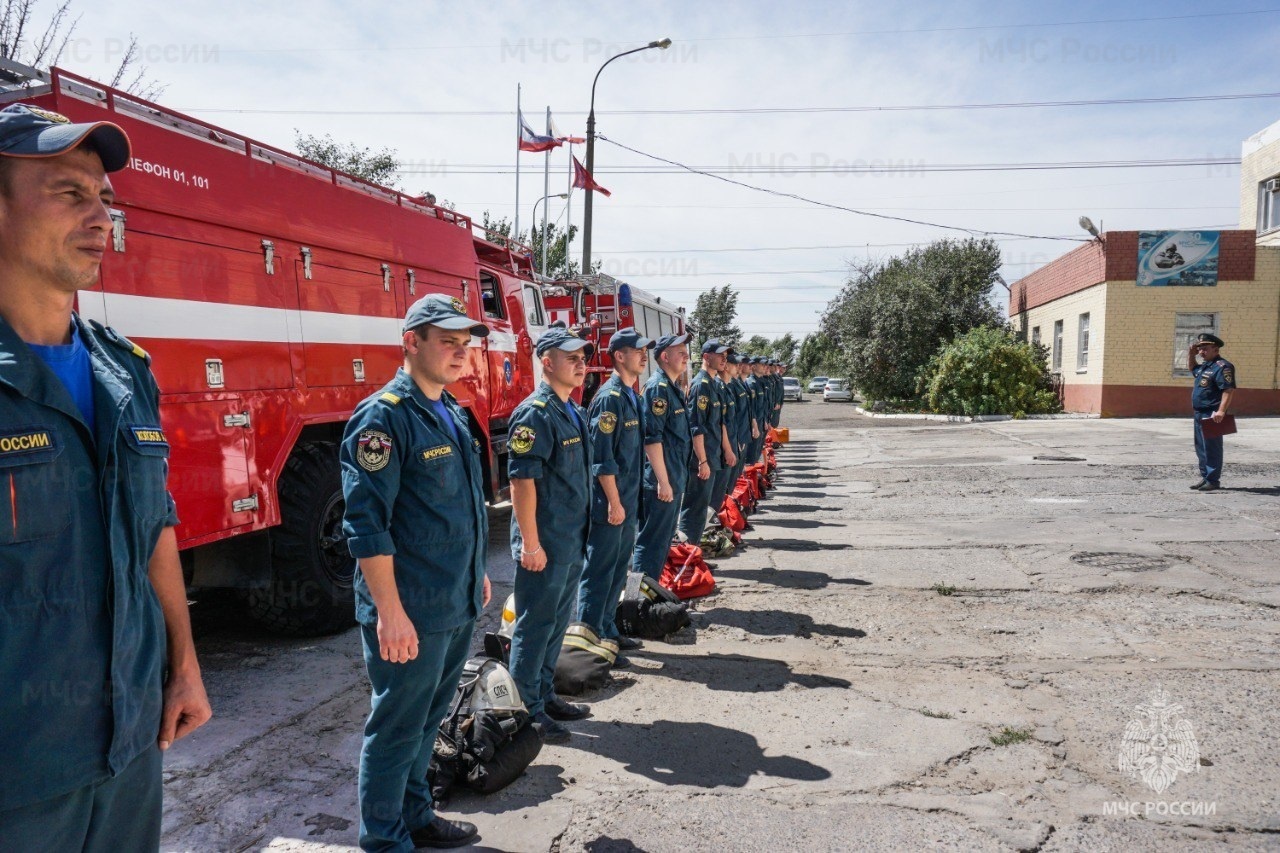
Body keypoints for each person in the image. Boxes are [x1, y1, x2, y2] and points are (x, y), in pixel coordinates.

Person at [0, 103, 211, 849]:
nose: (100, 218)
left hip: (129, 750)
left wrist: (184, 663)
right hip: (19, 779)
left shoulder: (124, 368)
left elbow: (154, 520)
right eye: (68, 193)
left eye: (105, 200)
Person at [341, 294, 493, 851]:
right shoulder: (383, 417)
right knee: (397, 726)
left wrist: (475, 573)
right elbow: (366, 526)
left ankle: (415, 813)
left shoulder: (450, 410)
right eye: (447, 342)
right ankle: (384, 840)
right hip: (409, 608)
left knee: (428, 720)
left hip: (452, 599)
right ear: (411, 342)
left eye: (465, 344)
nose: (459, 353)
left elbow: (462, 507)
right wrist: (390, 612)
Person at [508, 325, 594, 744]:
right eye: (571, 357)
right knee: (535, 625)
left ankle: (544, 694)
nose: (581, 364)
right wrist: (530, 543)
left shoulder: (572, 410)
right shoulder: (535, 413)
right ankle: (524, 710)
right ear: (547, 361)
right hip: (545, 543)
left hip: (570, 537)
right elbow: (522, 482)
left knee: (557, 623)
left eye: (583, 357)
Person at [578, 328, 653, 666]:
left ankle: (609, 629)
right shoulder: (610, 398)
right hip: (612, 503)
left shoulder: (630, 395)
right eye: (637, 350)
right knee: (600, 571)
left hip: (626, 499)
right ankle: (591, 639)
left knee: (617, 569)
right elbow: (601, 457)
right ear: (619, 355)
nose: (643, 355)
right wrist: (613, 501)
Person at [632, 333, 694, 577]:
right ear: (665, 357)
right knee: (651, 543)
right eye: (681, 352)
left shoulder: (672, 387)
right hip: (662, 481)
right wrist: (663, 481)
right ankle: (640, 602)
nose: (686, 357)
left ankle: (651, 591)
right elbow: (652, 438)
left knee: (662, 542)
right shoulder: (658, 388)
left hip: (673, 476)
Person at [678, 339, 731, 545]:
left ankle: (693, 553)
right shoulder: (701, 385)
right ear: (706, 357)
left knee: (702, 509)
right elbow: (696, 426)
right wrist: (702, 460)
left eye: (726, 356)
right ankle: (685, 556)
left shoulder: (712, 384)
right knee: (694, 508)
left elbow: (718, 424)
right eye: (720, 355)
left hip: (711, 455)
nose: (724, 359)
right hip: (702, 459)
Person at [1187, 333, 1236, 492]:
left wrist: (1221, 411)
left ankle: (1213, 480)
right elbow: (1192, 368)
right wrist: (1190, 354)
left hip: (1212, 413)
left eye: (1205, 349)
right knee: (1201, 447)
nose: (1201, 352)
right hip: (1199, 413)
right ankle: (1205, 477)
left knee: (1212, 448)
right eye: (1199, 349)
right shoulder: (1205, 366)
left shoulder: (1223, 367)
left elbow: (1228, 390)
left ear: (1215, 349)